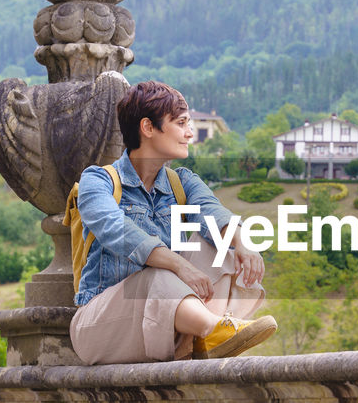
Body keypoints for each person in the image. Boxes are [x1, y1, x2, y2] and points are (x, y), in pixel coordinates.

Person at [69, 81, 277, 365]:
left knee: (221, 247)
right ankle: (210, 329)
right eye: (181, 123)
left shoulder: (183, 182)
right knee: (158, 274)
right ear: (148, 128)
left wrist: (242, 243)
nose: (189, 133)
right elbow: (116, 229)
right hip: (102, 327)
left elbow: (211, 211)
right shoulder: (99, 181)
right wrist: (178, 265)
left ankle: (205, 339)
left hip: (159, 325)